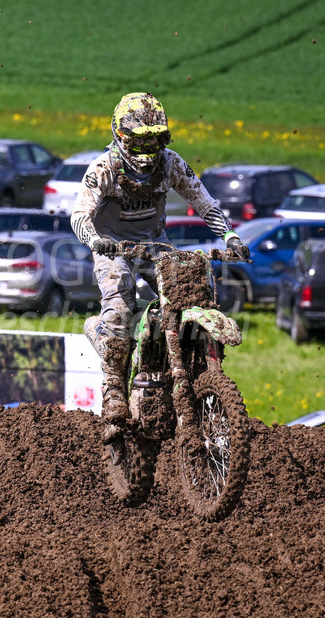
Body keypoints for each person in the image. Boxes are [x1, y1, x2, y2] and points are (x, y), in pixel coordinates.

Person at [70, 92, 250, 425]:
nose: (147, 151)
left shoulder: (170, 162)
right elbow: (79, 214)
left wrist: (231, 237)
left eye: (155, 140)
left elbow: (205, 201)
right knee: (120, 303)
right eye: (140, 142)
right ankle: (112, 388)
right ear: (122, 137)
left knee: (193, 291)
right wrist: (96, 241)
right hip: (113, 247)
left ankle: (192, 367)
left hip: (155, 243)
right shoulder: (105, 167)